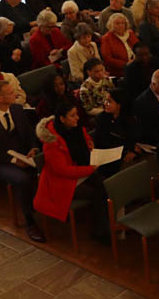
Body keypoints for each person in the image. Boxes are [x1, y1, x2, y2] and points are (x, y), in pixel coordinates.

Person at [0, 80, 45, 241]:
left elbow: (29, 133)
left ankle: (47, 206)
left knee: (47, 166)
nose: (15, 94)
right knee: (22, 179)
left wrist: (33, 148)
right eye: (11, 92)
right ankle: (30, 221)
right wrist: (14, 160)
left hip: (23, 155)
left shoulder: (17, 109)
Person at [34, 99, 111, 244]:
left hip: (79, 170)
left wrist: (89, 142)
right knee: (98, 192)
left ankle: (105, 225)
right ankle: (101, 230)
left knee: (105, 183)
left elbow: (83, 137)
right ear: (62, 119)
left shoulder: (74, 128)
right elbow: (63, 170)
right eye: (72, 115)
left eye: (76, 114)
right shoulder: (51, 141)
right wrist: (90, 169)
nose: (77, 118)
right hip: (60, 182)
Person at [94, 89, 143, 176]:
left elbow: (134, 138)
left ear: (119, 105)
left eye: (109, 101)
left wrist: (134, 151)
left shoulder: (130, 119)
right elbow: (103, 143)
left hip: (125, 153)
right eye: (105, 100)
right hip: (108, 157)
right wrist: (128, 149)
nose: (105, 103)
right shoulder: (101, 119)